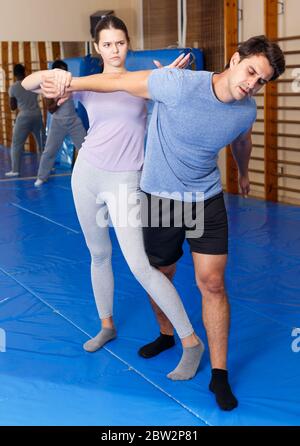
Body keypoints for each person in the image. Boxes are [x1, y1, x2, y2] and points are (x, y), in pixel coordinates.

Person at [39, 34, 285, 411]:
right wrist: (71, 82)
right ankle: (166, 334)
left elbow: (241, 141)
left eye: (261, 81)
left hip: (205, 199)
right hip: (161, 198)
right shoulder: (179, 84)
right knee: (161, 271)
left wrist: (244, 173)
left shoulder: (246, 110)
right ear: (235, 59)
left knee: (213, 284)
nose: (252, 84)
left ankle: (219, 373)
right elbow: (118, 82)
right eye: (251, 71)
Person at [22, 16, 204, 383]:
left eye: (119, 43)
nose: (114, 50)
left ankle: (191, 341)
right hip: (86, 174)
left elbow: (178, 94)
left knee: (140, 266)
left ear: (128, 44)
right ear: (97, 48)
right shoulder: (87, 85)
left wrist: (169, 76)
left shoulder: (142, 81)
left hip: (125, 179)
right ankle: (106, 325)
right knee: (99, 254)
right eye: (106, 44)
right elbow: (29, 83)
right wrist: (54, 76)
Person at [34, 60, 86, 187]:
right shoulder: (49, 87)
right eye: (60, 71)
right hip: (58, 122)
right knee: (49, 151)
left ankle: (92, 177)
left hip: (73, 121)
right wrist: (58, 98)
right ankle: (42, 176)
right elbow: (50, 109)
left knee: (86, 149)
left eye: (65, 71)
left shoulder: (70, 83)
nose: (63, 74)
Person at [5, 63, 46, 177]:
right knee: (42, 142)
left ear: (14, 74)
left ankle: (15, 170)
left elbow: (13, 107)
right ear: (25, 72)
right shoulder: (32, 84)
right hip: (37, 115)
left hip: (23, 116)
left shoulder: (13, 88)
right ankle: (48, 166)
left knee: (17, 144)